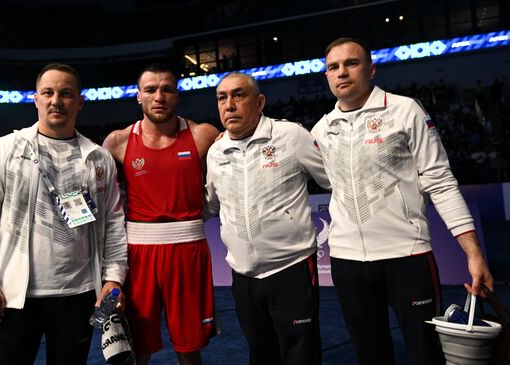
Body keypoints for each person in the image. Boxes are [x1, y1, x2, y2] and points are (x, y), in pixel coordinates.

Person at [311, 37, 495, 365]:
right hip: (346, 261)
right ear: (326, 76)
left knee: (426, 352)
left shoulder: (405, 110)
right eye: (333, 67)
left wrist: (474, 253)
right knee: (370, 354)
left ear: (371, 69)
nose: (342, 72)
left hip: (406, 256)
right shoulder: (321, 130)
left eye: (351, 63)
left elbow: (440, 183)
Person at [0, 63, 128, 365]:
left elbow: (114, 226)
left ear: (79, 102)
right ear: (36, 99)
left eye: (66, 94)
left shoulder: (99, 158)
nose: (56, 100)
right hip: (15, 296)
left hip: (78, 295)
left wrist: (113, 279)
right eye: (48, 93)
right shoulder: (3, 151)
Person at [204, 72, 330, 365]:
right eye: (222, 98)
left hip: (291, 269)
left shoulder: (291, 136)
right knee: (261, 356)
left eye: (238, 95)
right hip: (244, 276)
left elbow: (332, 180)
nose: (229, 105)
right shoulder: (216, 152)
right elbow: (209, 205)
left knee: (301, 356)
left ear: (259, 102)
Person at [102, 64, 219, 365]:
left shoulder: (204, 136)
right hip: (138, 254)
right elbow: (104, 204)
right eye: (151, 90)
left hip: (188, 250)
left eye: (166, 89)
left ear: (177, 96)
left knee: (189, 345)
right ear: (138, 96)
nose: (159, 96)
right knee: (138, 344)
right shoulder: (117, 142)